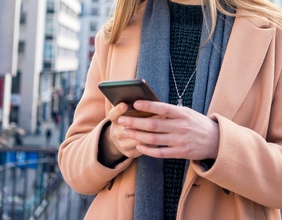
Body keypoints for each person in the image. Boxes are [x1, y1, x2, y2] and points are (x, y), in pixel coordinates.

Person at [58, 0, 282, 219]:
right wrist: (112, 142)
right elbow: (73, 167)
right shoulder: (115, 34)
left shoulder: (274, 34)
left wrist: (218, 143)